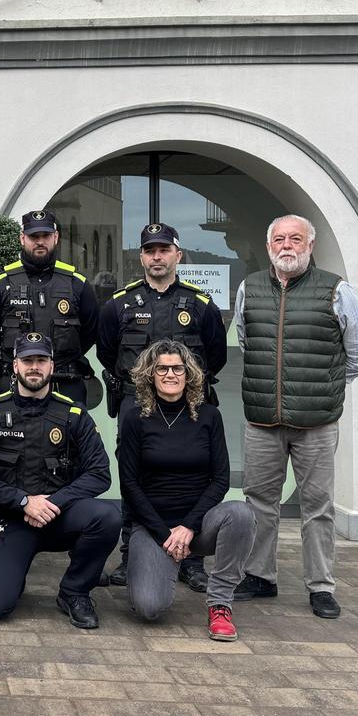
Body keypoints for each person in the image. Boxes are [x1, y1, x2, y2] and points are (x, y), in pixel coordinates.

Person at [233, 214, 358, 619]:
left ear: (310, 246)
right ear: (269, 246)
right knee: (260, 501)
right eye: (279, 239)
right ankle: (260, 576)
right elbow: (247, 341)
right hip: (262, 419)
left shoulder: (336, 290)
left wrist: (324, 385)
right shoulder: (250, 287)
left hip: (317, 422)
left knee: (317, 506)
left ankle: (321, 586)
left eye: (296, 238)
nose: (287, 245)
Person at [97, 222, 227, 590]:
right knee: (132, 475)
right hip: (134, 403)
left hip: (190, 404)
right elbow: (108, 353)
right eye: (150, 250)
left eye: (164, 250)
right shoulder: (119, 305)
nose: (157, 256)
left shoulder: (200, 305)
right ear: (141, 256)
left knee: (196, 472)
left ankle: (193, 560)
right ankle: (130, 554)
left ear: (177, 255)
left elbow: (215, 357)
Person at [0, 333, 119, 629]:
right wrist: (23, 502)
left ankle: (75, 591)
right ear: (15, 365)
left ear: (51, 365)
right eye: (27, 360)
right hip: (11, 519)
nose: (34, 367)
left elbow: (100, 473)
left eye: (41, 360)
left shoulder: (74, 414)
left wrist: (52, 502)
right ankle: (12, 571)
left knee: (107, 517)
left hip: (59, 516)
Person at [118, 340, 255, 641]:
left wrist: (188, 527)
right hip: (154, 527)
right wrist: (165, 534)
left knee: (241, 514)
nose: (170, 374)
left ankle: (220, 603)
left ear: (188, 373)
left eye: (177, 368)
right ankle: (163, 562)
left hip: (198, 526)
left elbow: (220, 479)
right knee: (149, 608)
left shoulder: (209, 416)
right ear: (150, 375)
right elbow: (128, 485)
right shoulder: (134, 419)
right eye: (162, 368)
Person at [0, 210, 98, 404]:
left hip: (66, 381)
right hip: (14, 382)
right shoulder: (1, 284)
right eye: (34, 236)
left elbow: (91, 332)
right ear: (22, 238)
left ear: (56, 237)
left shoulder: (77, 284)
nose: (40, 242)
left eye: (46, 236)